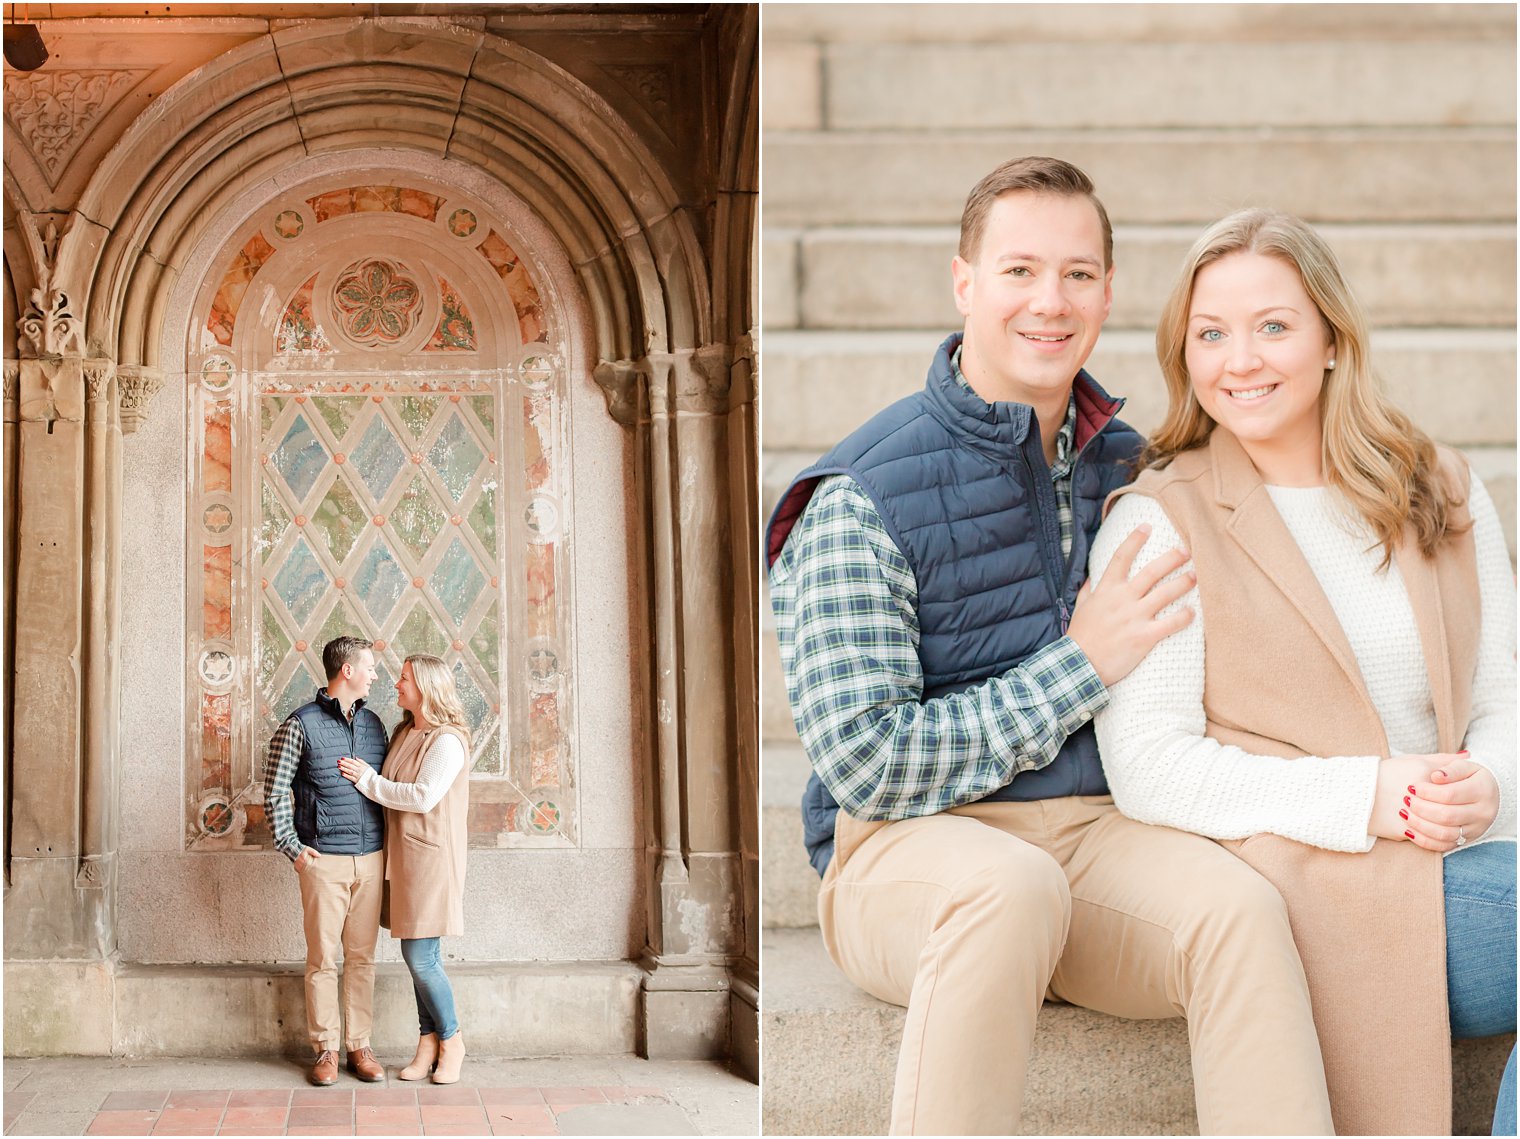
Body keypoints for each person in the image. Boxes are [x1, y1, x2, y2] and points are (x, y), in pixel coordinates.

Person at [765, 156, 1336, 1135]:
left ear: (1107, 293)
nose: (1049, 299)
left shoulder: (1126, 464)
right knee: (1005, 883)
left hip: (1093, 839)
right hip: (900, 854)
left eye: (1076, 273)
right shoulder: (860, 493)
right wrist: (1076, 666)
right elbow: (865, 763)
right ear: (964, 284)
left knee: (1240, 910)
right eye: (1019, 269)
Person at [1090, 208, 1517, 1136]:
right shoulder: (1162, 520)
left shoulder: (1438, 485)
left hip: (1472, 857)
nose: (1239, 360)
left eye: (1273, 326)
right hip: (1327, 889)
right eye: (1211, 334)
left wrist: (1487, 777)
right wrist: (1371, 796)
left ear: (1331, 338)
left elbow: (1504, 692)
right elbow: (1151, 766)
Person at [338, 653, 471, 1085]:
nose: (396, 684)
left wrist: (367, 781)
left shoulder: (446, 740)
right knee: (415, 956)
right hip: (402, 859)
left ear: (426, 687)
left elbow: (422, 797)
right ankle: (427, 1040)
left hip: (430, 861)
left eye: (405, 678)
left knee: (422, 956)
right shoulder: (405, 731)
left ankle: (452, 1039)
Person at [263, 635, 388, 1087]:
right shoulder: (299, 724)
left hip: (370, 859)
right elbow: (275, 789)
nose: (375, 675)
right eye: (369, 667)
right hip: (324, 860)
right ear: (347, 670)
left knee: (363, 958)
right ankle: (326, 1050)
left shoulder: (375, 725)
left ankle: (360, 1045)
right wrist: (293, 848)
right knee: (323, 959)